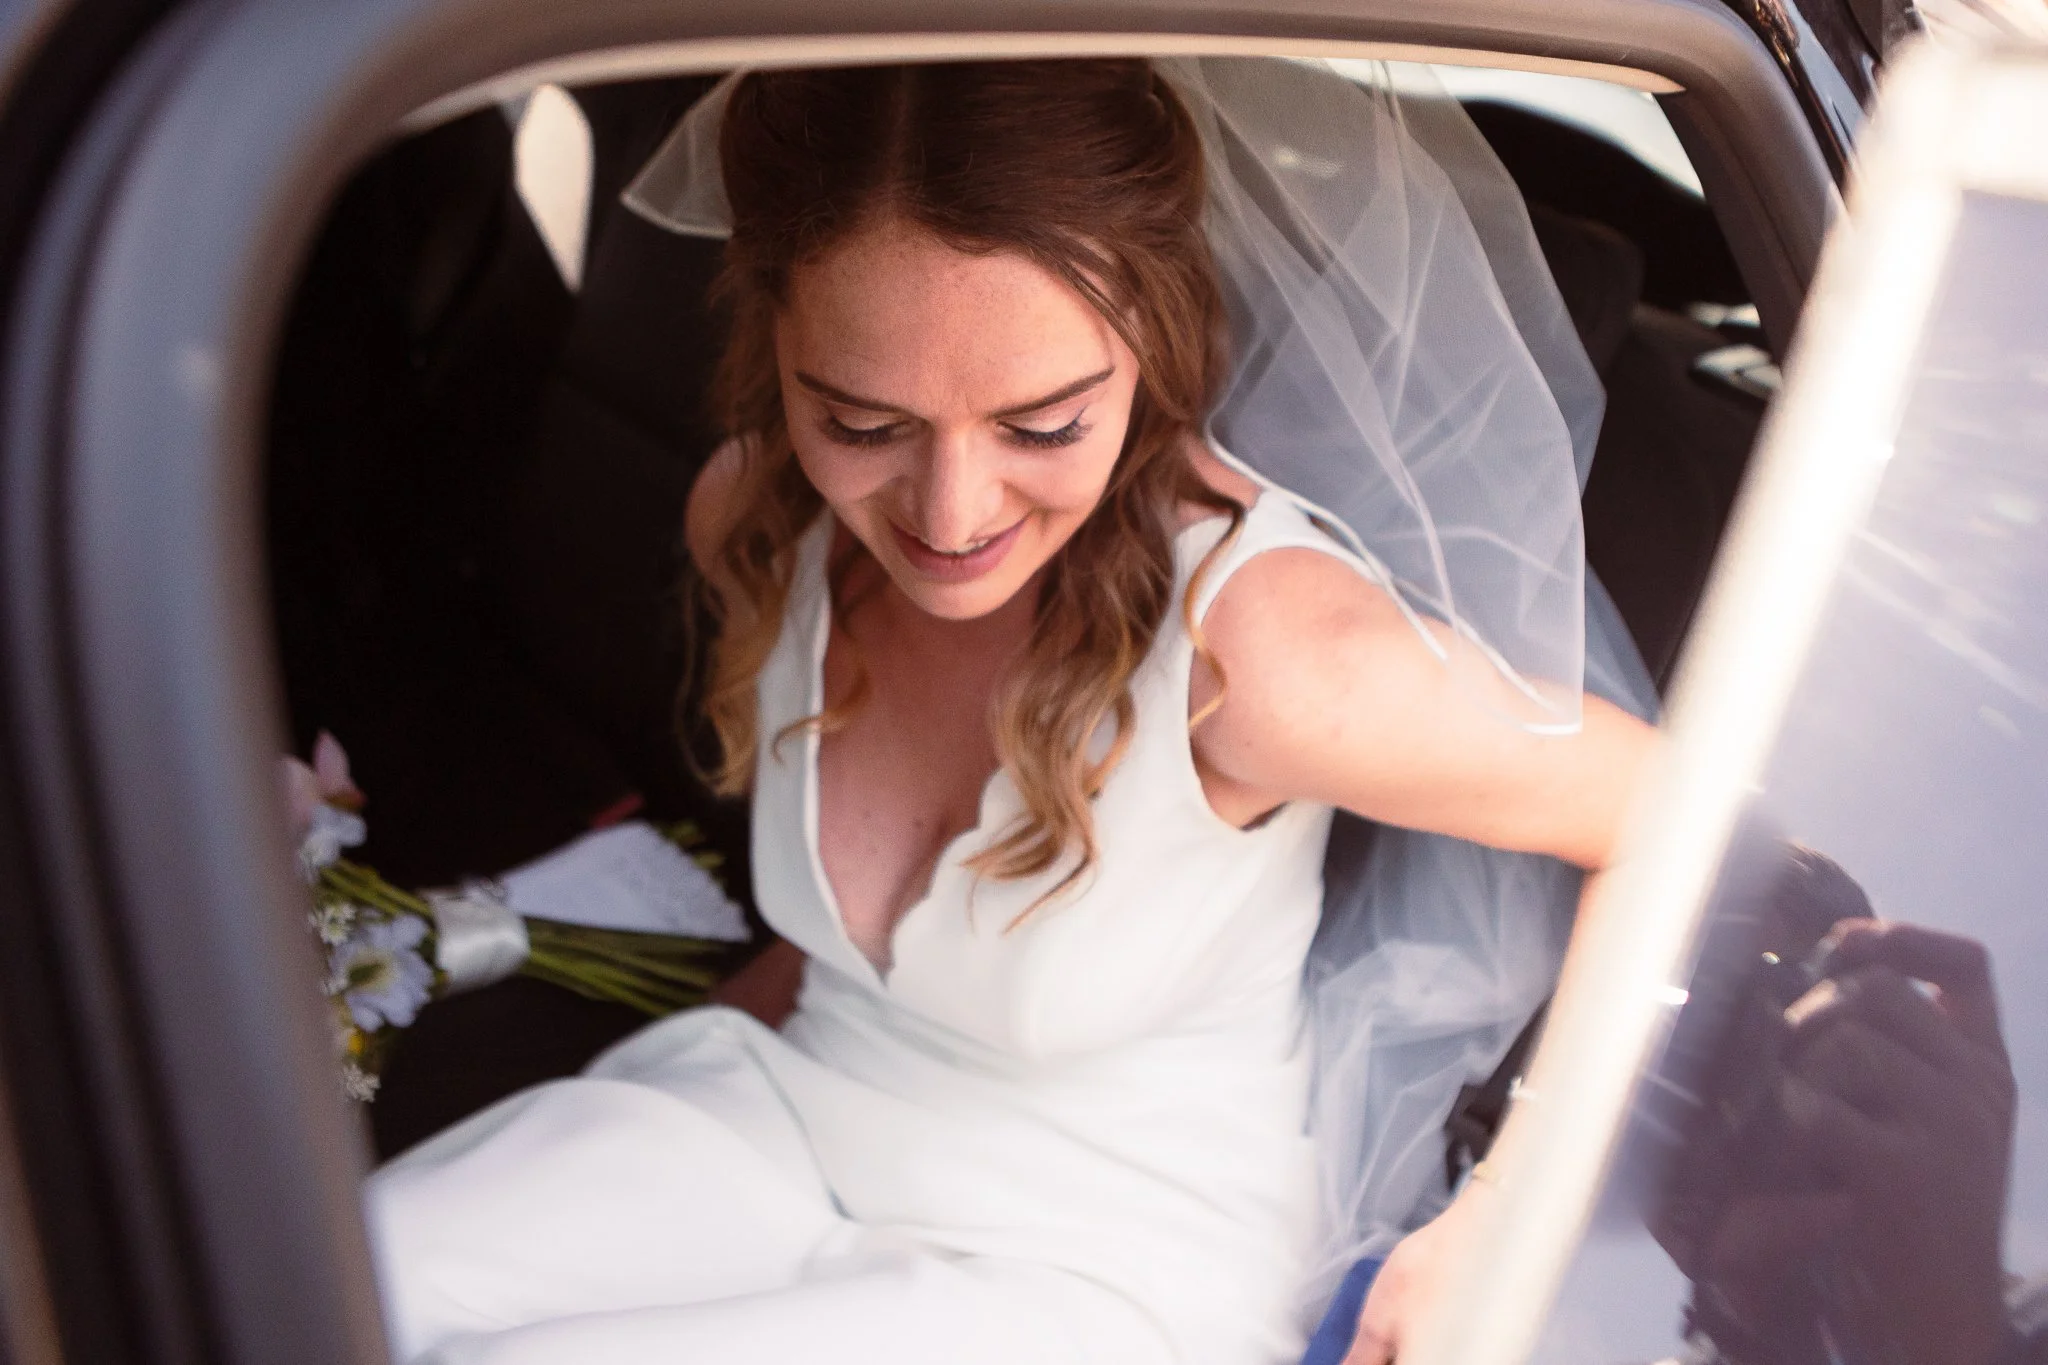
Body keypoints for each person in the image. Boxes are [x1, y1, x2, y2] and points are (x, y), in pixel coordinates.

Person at [364, 57, 1658, 1365]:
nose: (949, 515)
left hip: (1099, 1262)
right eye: (862, 420)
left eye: (1042, 424)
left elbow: (1676, 816)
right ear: (777, 342)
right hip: (779, 1108)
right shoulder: (755, 519)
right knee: (322, 1286)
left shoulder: (1266, 654)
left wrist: (1511, 1209)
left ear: (1151, 340)